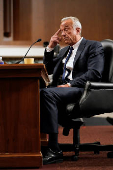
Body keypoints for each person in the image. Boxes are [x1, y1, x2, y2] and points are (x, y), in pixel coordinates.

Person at [40, 16, 104, 165]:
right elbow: (47, 69)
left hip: (81, 90)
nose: (62, 34)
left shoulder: (93, 46)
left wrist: (70, 84)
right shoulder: (64, 52)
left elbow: (95, 73)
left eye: (66, 30)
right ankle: (37, 144)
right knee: (34, 91)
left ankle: (54, 149)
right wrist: (50, 47)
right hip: (61, 90)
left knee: (46, 94)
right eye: (61, 31)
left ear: (78, 30)